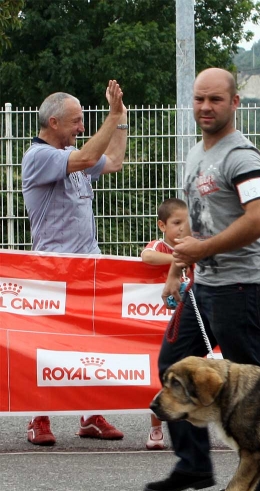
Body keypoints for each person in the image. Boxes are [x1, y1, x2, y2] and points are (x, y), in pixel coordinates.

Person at [144, 68, 260, 491]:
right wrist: (176, 269)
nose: (205, 107)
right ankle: (193, 466)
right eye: (199, 99)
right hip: (203, 286)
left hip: (241, 286)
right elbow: (193, 230)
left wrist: (203, 253)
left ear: (234, 103)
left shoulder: (241, 157)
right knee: (173, 366)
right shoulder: (195, 154)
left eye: (215, 100)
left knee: (252, 385)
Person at [21, 81, 128, 446]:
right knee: (45, 346)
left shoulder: (72, 155)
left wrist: (121, 120)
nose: (81, 127)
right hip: (52, 271)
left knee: (93, 345)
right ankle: (37, 418)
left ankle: (90, 416)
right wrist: (111, 118)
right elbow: (84, 158)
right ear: (53, 123)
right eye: (76, 121)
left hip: (89, 268)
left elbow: (112, 160)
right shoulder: (40, 157)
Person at [141, 197, 192, 450]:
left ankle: (190, 429)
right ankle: (156, 427)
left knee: (189, 376)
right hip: (156, 322)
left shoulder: (195, 246)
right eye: (176, 222)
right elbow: (146, 256)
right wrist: (177, 258)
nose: (183, 228)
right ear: (162, 226)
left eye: (187, 222)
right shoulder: (160, 246)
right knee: (161, 377)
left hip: (188, 321)